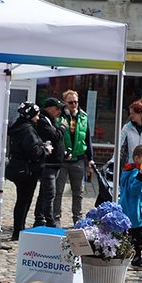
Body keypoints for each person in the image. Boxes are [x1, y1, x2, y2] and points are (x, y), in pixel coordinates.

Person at [6, 101, 49, 240]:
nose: (38, 118)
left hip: (20, 169)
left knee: (22, 201)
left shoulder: (19, 127)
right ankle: (19, 231)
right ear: (30, 115)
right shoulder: (27, 129)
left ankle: (19, 229)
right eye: (36, 115)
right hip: (27, 171)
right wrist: (45, 149)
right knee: (24, 201)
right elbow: (33, 151)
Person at [52, 89, 93, 226]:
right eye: (70, 102)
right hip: (63, 161)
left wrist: (90, 158)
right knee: (58, 191)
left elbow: (87, 138)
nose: (74, 104)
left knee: (78, 192)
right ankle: (56, 218)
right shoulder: (59, 117)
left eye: (76, 101)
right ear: (65, 103)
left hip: (79, 159)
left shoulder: (83, 116)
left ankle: (77, 219)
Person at [119, 144, 142, 269]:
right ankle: (137, 258)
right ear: (137, 158)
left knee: (127, 235)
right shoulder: (135, 173)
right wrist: (141, 177)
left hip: (129, 209)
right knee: (137, 236)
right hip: (134, 211)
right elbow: (133, 190)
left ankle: (124, 255)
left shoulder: (128, 171)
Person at [32, 97, 63, 228]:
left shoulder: (52, 120)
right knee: (50, 193)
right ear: (48, 108)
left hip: (55, 163)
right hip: (48, 164)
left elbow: (57, 138)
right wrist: (62, 128)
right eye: (57, 109)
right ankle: (49, 220)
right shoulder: (43, 121)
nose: (59, 112)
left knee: (44, 193)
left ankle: (39, 218)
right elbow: (54, 136)